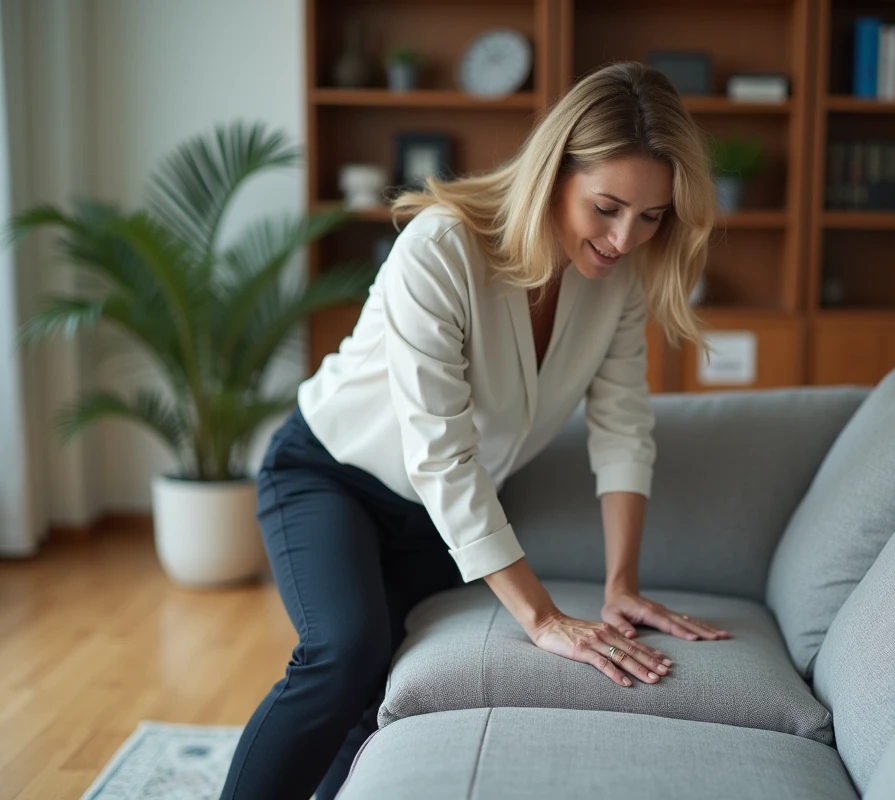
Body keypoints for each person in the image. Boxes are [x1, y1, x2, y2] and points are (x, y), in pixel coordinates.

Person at [219, 61, 732, 800]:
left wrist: (622, 584)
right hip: (329, 476)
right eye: (608, 207)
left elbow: (622, 427)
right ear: (553, 174)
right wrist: (543, 618)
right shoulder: (441, 248)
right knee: (345, 653)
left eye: (651, 217)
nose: (626, 238)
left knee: (379, 691)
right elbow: (442, 454)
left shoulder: (616, 280)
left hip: (437, 519)